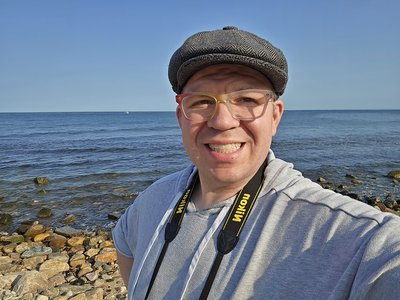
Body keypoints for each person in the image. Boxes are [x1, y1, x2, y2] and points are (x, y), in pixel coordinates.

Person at [112, 26, 400, 299]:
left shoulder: (350, 236)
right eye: (201, 101)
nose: (223, 121)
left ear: (275, 116)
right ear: (180, 117)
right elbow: (124, 241)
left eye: (247, 99)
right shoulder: (152, 200)